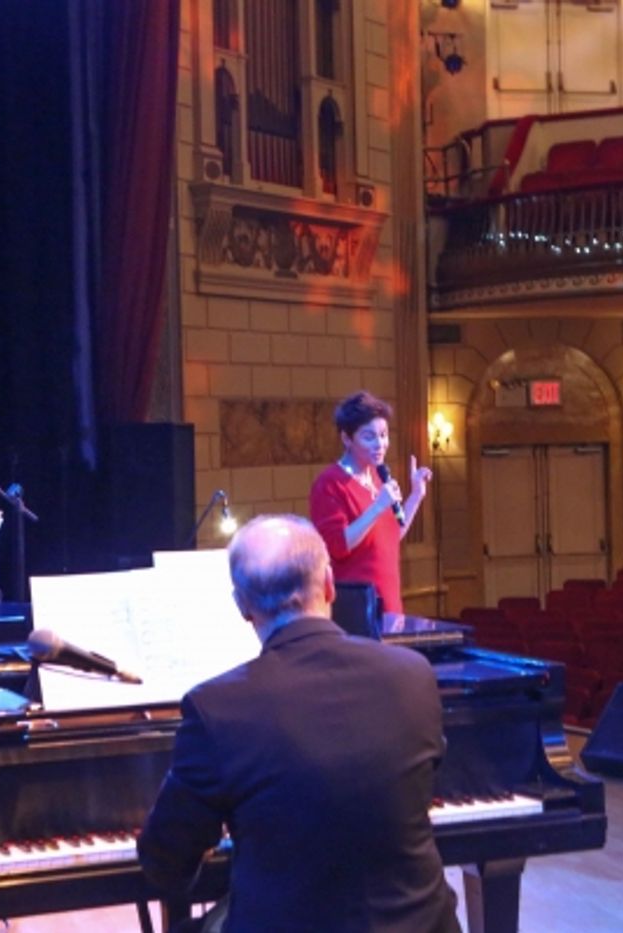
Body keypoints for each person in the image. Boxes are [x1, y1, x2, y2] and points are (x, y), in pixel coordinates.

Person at [138, 515, 460, 933]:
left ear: (241, 607)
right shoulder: (414, 675)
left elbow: (166, 862)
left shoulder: (217, 706)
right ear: (329, 583)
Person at [308, 391, 430, 614]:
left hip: (389, 602)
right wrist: (378, 507)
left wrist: (415, 496)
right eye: (369, 437)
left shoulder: (376, 476)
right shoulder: (329, 484)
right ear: (346, 439)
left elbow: (391, 535)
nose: (380, 444)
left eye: (383, 435)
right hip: (358, 609)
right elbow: (338, 546)